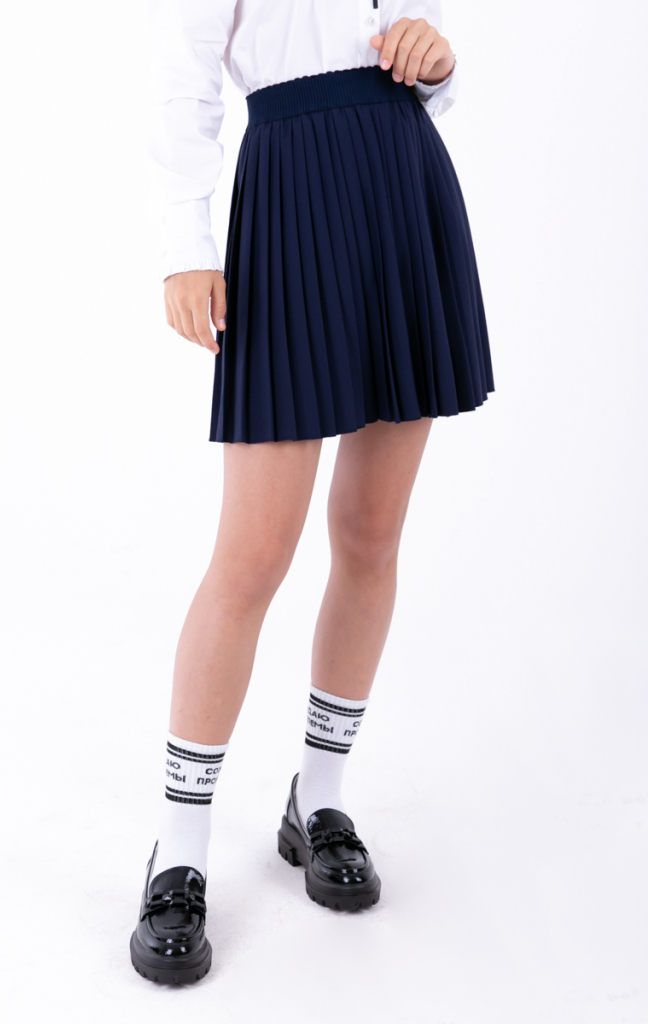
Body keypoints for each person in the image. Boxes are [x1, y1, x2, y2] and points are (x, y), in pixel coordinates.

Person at [131, 0, 494, 984]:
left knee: (371, 533)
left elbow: (422, 56)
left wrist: (437, 61)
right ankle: (180, 846)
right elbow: (184, 75)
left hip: (401, 185)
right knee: (253, 552)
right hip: (292, 190)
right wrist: (185, 245)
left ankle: (319, 799)